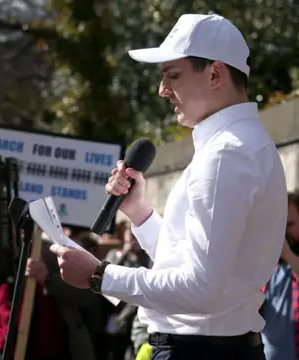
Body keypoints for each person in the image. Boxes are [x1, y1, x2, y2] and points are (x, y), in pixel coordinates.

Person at [49, 13, 287, 360]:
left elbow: (201, 289)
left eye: (172, 75)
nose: (162, 90)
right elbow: (195, 269)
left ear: (216, 73)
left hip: (198, 351)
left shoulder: (225, 153)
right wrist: (140, 213)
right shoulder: (236, 146)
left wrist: (101, 276)